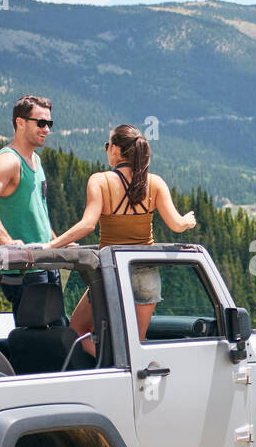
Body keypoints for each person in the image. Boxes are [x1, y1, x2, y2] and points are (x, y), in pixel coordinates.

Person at [50, 123, 196, 354]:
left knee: (76, 330)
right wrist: (188, 220)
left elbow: (87, 225)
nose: (106, 149)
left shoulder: (100, 181)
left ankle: (111, 363)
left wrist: (51, 245)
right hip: (146, 273)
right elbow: (177, 225)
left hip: (112, 272)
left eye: (107, 145)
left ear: (116, 150)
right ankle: (127, 367)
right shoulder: (155, 183)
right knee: (135, 343)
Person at [0, 94, 67, 323]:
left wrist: (58, 241)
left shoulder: (36, 160)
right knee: (38, 339)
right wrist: (7, 242)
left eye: (49, 124)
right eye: (41, 123)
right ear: (20, 123)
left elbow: (37, 212)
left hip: (44, 263)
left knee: (56, 333)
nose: (47, 129)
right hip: (24, 270)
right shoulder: (9, 161)